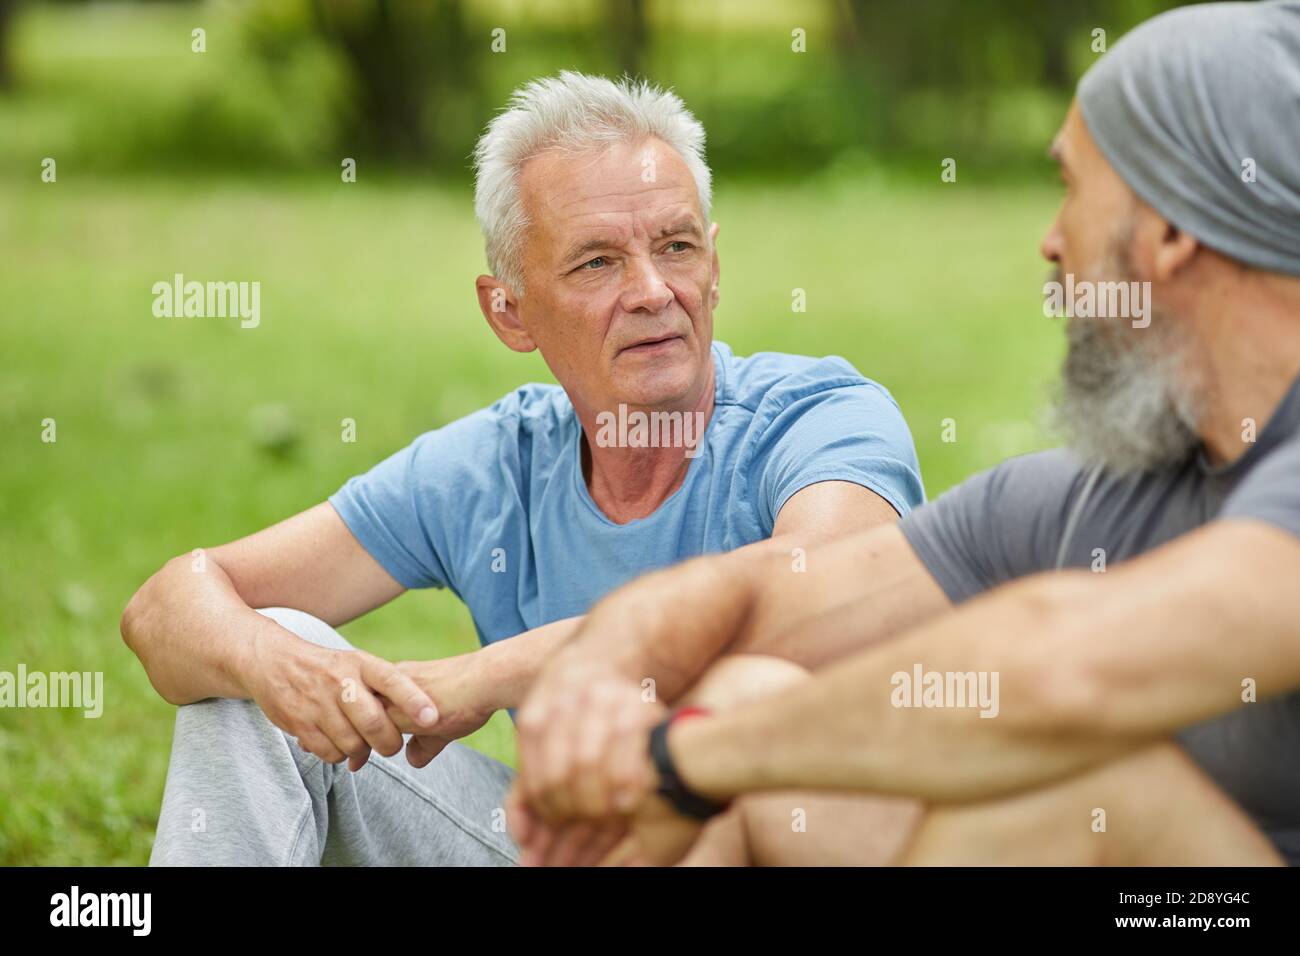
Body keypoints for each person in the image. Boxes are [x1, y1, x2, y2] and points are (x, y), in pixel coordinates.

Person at [508, 0, 1300, 867]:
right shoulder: (1113, 491)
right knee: (744, 691)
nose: (1049, 241)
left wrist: (687, 755)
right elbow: (776, 596)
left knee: (1086, 797)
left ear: (1174, 229)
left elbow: (1060, 674)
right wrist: (609, 665)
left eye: (1072, 188)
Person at [120, 71, 924, 865]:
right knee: (265, 665)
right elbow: (170, 606)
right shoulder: (495, 464)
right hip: (569, 851)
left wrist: (488, 675)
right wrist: (277, 667)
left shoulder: (818, 416)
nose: (652, 291)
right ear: (510, 311)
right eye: (597, 264)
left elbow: (835, 581)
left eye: (676, 247)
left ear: (713, 265)